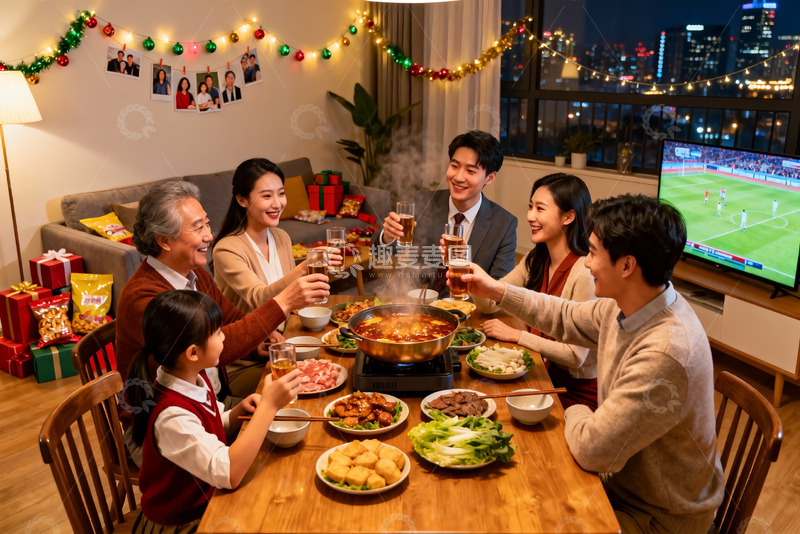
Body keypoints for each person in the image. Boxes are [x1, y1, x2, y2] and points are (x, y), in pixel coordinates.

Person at [461, 194, 723, 533]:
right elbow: (564, 314)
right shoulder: (632, 302)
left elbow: (592, 450)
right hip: (623, 482)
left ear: (627, 265)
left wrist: (570, 408)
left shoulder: (665, 353)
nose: (586, 263)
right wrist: (496, 290)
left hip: (657, 517)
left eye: (594, 253)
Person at [116, 180, 328, 405]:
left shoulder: (195, 273)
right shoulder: (145, 297)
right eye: (198, 228)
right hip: (171, 423)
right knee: (301, 405)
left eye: (207, 224)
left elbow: (232, 319)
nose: (209, 235)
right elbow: (208, 352)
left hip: (213, 403)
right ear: (163, 241)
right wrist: (283, 302)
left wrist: (258, 344)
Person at [128, 290, 301, 533]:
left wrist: (235, 413)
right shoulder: (171, 417)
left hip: (210, 499)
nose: (224, 338)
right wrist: (269, 407)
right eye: (218, 332)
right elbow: (229, 473)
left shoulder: (192, 377)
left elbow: (208, 425)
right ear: (193, 352)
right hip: (185, 522)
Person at [474, 173, 598, 410]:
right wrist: (471, 278)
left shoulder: (584, 272)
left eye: (540, 209)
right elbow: (490, 304)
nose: (530, 216)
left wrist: (516, 335)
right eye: (530, 207)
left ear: (568, 216)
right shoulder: (537, 258)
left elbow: (575, 356)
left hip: (572, 390)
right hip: (539, 370)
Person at [371, 130, 517, 288]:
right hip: (415, 304)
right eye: (454, 166)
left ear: (490, 178)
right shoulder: (422, 203)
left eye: (470, 171)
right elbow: (380, 252)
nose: (458, 177)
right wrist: (387, 236)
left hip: (468, 307)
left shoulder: (504, 224)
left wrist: (463, 264)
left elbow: (500, 288)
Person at [212, 158, 342, 314]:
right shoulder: (226, 250)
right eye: (267, 196)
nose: (277, 204)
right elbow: (259, 300)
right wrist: (303, 269)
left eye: (281, 194)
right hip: (253, 336)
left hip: (286, 328)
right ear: (242, 200)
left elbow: (290, 298)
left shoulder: (282, 237)